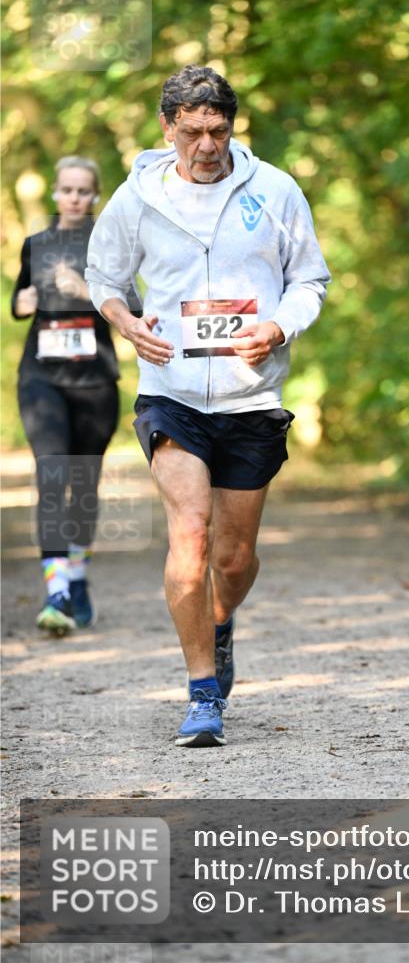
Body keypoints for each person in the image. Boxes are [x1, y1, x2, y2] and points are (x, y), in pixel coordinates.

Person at [86, 65, 330, 748]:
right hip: (172, 392)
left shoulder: (275, 190)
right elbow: (104, 277)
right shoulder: (137, 199)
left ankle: (219, 623)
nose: (205, 145)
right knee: (189, 537)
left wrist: (278, 327)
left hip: (252, 396)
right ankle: (201, 694)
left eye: (217, 130)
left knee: (233, 557)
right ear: (167, 128)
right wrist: (126, 323)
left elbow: (309, 279)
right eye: (191, 132)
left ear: (232, 127)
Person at [12, 156, 122, 634]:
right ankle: (55, 591)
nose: (74, 198)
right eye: (67, 190)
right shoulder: (36, 244)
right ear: (55, 192)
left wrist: (86, 291)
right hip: (42, 379)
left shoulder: (110, 243)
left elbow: (135, 306)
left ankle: (77, 577)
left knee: (85, 484)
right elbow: (20, 299)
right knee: (53, 475)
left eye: (83, 191)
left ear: (95, 196)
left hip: (94, 382)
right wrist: (22, 302)